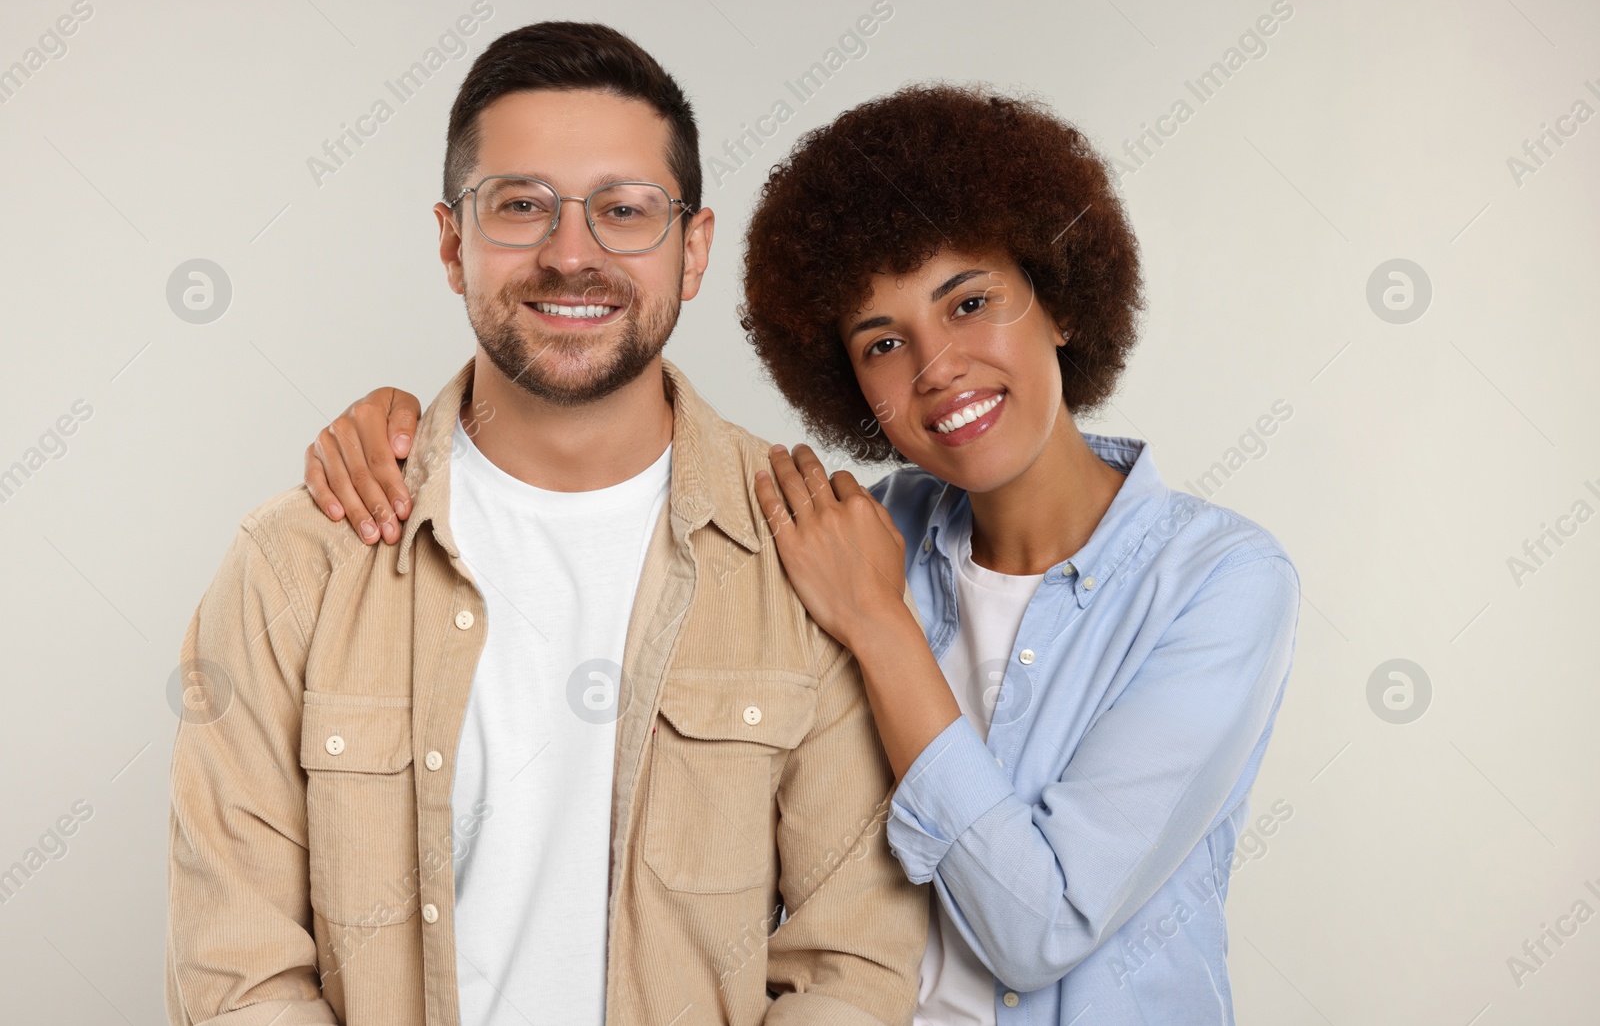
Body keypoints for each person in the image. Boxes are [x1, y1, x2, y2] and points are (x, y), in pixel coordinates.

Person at [308, 85, 1301, 1024]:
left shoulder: (1216, 583)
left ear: (1062, 300)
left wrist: (878, 623)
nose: (937, 365)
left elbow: (1036, 926)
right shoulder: (843, 531)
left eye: (968, 302)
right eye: (880, 342)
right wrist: (410, 433)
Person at [166, 22, 926, 1026]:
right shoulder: (295, 564)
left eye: (624, 209)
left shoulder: (808, 557)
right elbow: (237, 974)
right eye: (521, 206)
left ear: (691, 250)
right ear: (452, 243)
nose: (572, 255)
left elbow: (849, 969)